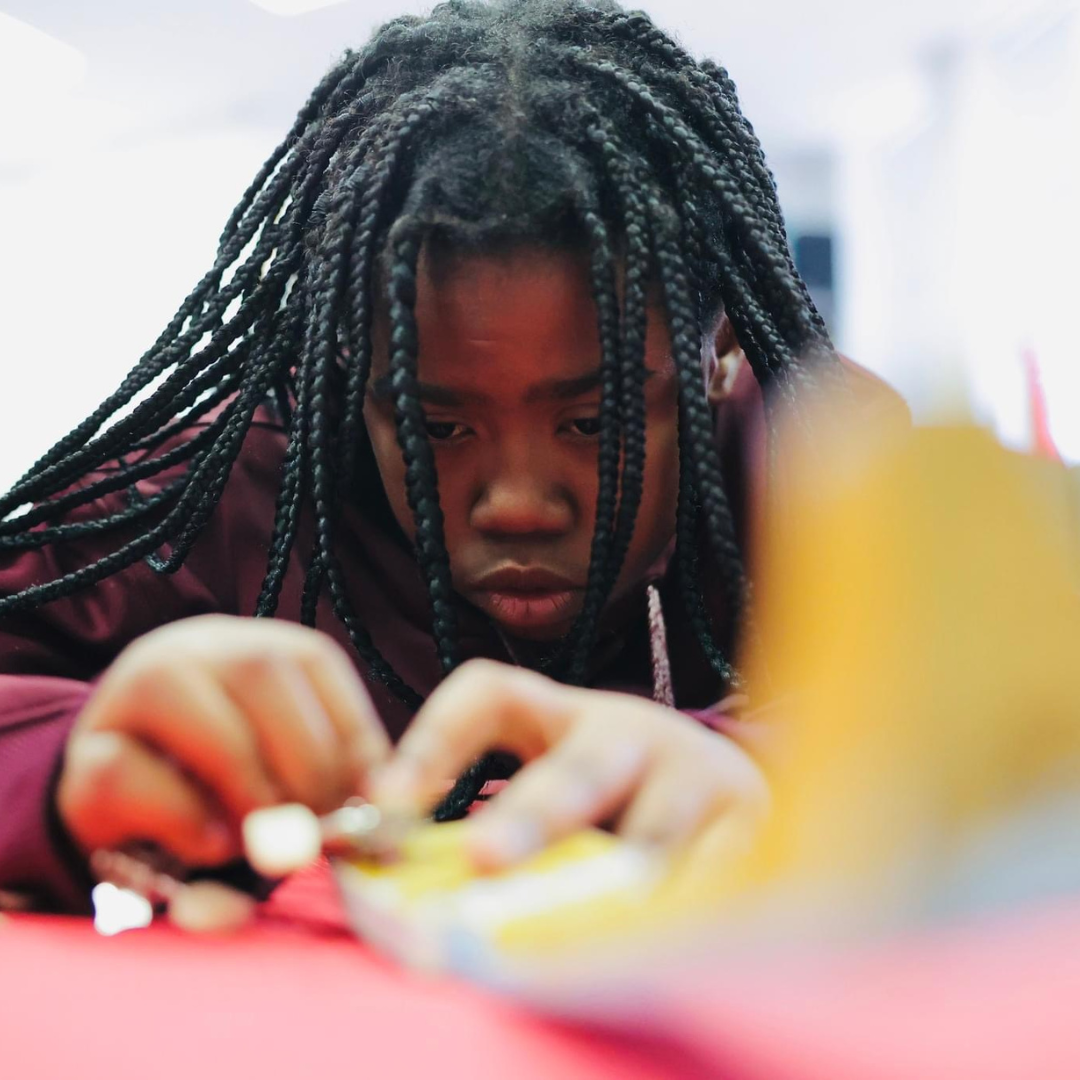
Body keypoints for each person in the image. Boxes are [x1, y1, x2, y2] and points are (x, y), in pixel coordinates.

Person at [0, 0, 905, 913]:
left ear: (719, 354)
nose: (516, 505)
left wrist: (752, 766)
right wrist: (65, 759)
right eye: (439, 427)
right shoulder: (226, 493)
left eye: (593, 421)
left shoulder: (824, 459)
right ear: (353, 367)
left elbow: (1017, 721)